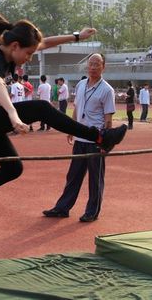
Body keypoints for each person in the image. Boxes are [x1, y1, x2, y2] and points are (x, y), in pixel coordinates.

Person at [0, 5, 127, 230]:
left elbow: (46, 42)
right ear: (15, 47)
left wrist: (77, 36)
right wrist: (13, 115)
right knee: (41, 108)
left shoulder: (10, 49)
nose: (30, 59)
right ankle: (99, 137)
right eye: (29, 54)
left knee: (13, 168)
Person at [43, 53, 117, 222]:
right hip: (80, 140)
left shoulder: (107, 90)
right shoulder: (81, 84)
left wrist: (106, 143)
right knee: (73, 175)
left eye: (97, 64)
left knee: (95, 179)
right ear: (86, 66)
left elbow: (108, 119)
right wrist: (71, 129)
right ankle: (62, 208)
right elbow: (77, 108)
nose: (93, 67)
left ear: (103, 67)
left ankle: (92, 211)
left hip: (95, 141)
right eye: (91, 64)